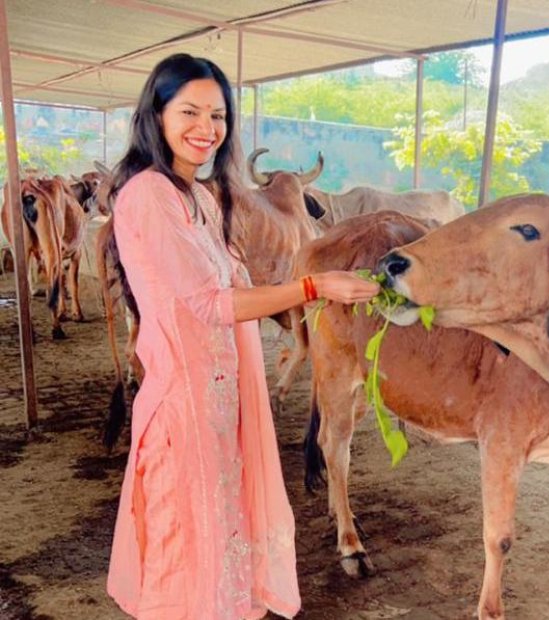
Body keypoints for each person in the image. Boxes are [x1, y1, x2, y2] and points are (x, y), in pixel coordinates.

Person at [106, 53, 379, 620]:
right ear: (155, 115)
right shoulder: (148, 195)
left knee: (220, 553)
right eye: (189, 112)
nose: (206, 129)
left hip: (220, 407)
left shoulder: (201, 197)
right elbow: (211, 303)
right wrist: (314, 285)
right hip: (184, 412)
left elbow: (237, 283)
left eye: (218, 115)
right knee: (185, 565)